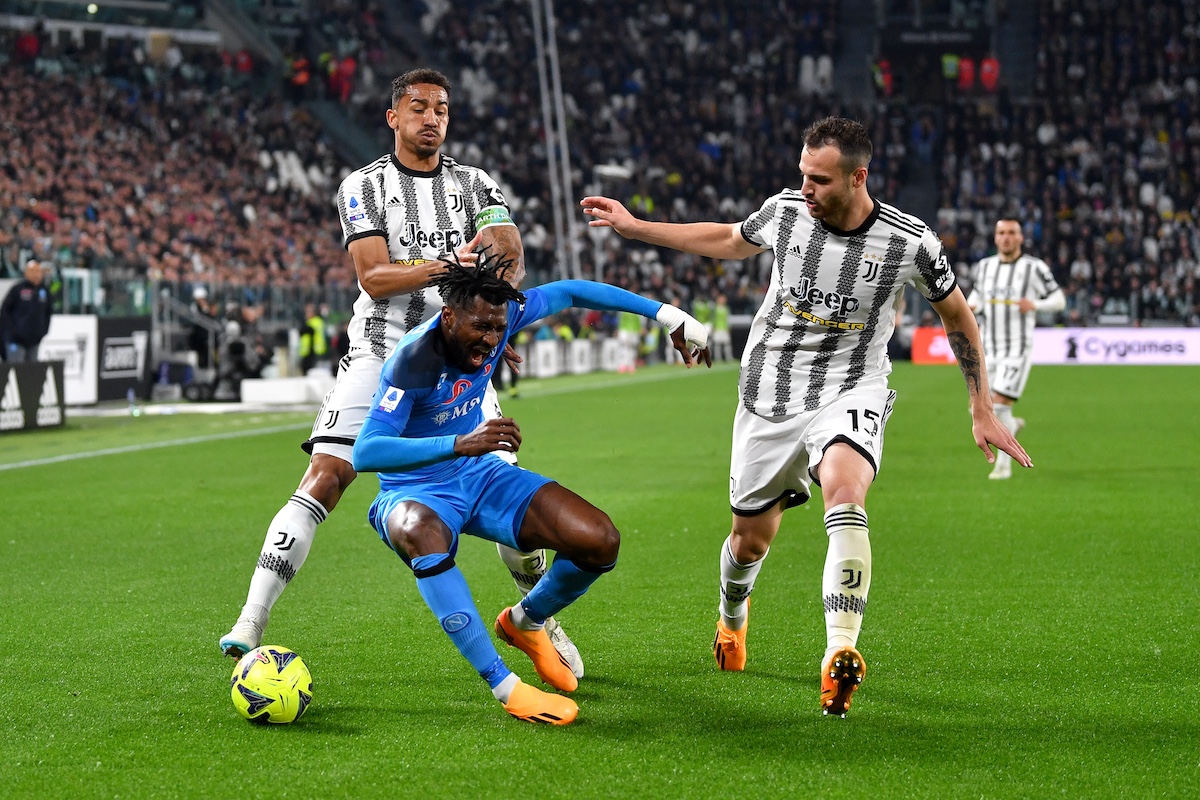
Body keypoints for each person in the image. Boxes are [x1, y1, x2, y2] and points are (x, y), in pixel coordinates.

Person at [582, 116, 1030, 717]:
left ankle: (839, 651)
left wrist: (980, 405)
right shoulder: (786, 212)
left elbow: (957, 317)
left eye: (819, 179)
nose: (806, 188)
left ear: (858, 177)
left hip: (852, 386)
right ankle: (732, 615)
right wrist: (638, 227)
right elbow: (728, 239)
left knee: (845, 490)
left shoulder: (910, 243)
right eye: (803, 174)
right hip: (769, 390)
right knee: (749, 541)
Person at [219, 69, 583, 677]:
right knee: (326, 476)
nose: (431, 118)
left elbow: (509, 255)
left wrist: (492, 325)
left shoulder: (475, 183)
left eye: (441, 108)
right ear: (394, 117)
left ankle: (537, 619)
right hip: (380, 354)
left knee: (506, 493)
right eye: (418, 107)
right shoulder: (362, 186)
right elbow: (374, 276)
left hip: (457, 361)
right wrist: (447, 265)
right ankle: (250, 621)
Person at [351, 256, 710, 725]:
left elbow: (572, 291)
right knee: (420, 530)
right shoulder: (414, 361)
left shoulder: (501, 319)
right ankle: (506, 686)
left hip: (480, 474)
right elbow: (367, 452)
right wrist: (459, 443)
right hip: (415, 490)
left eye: (498, 329)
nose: (490, 339)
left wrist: (666, 314)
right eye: (480, 327)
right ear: (449, 316)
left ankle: (525, 621)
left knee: (600, 540)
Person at [966, 219, 1065, 480]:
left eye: (1011, 232)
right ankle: (1012, 426)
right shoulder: (985, 267)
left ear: (1020, 238)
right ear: (995, 237)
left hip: (1016, 350)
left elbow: (1059, 299)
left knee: (998, 405)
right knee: (977, 408)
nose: (1006, 237)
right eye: (1001, 232)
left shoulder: (1034, 267)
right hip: (987, 349)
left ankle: (1004, 466)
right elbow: (977, 296)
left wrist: (1035, 304)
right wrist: (971, 307)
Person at [1, 260, 53, 363]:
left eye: (38, 272)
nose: (36, 275)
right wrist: (13, 332)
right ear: (26, 273)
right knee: (16, 368)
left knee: (32, 370)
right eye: (32, 272)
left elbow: (48, 313)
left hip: (35, 341)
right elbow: (5, 312)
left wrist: (42, 332)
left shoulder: (45, 291)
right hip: (16, 341)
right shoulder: (17, 290)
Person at [297, 302, 328, 374]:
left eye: (309, 311)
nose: (306, 314)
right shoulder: (308, 322)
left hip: (315, 351)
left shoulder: (317, 322)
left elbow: (309, 331)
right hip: (307, 351)